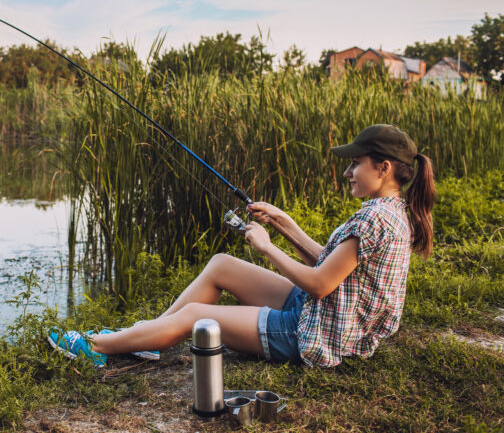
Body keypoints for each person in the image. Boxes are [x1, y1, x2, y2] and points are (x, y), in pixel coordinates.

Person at [48, 124, 436, 368]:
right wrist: (283, 223)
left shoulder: (373, 219)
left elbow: (320, 284)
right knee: (220, 264)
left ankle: (98, 347)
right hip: (326, 311)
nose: (349, 171)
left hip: (316, 332)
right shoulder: (388, 211)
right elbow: (329, 265)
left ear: (383, 168)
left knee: (195, 317)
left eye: (356, 164)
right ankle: (148, 338)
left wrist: (267, 247)